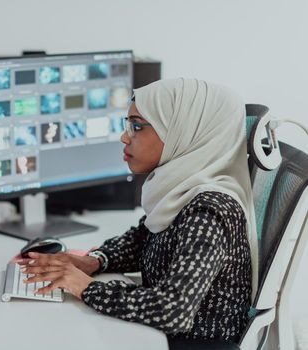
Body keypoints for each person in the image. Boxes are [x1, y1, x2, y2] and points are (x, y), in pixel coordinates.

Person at [17, 78, 258, 343]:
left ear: (182, 131)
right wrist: (94, 260)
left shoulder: (209, 212)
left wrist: (84, 286)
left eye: (136, 126)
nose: (124, 137)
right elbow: (141, 239)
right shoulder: (183, 190)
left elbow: (171, 310)